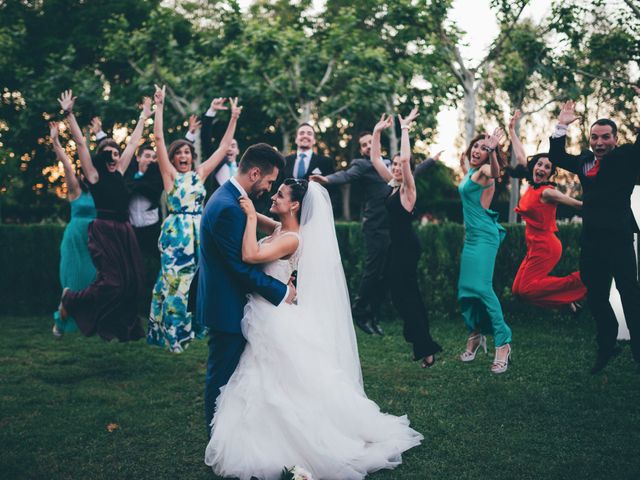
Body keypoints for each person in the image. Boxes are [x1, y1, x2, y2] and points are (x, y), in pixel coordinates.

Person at [205, 180, 422, 480]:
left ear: (294, 205)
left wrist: (252, 217)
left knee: (275, 381)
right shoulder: (282, 229)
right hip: (268, 310)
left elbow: (251, 256)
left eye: (280, 194)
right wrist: (252, 213)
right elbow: (271, 225)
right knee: (266, 378)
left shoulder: (292, 238)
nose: (274, 196)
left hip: (272, 316)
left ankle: (291, 439)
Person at [197, 142, 296, 431]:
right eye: (268, 181)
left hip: (226, 301)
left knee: (234, 375)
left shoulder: (230, 199)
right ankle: (217, 439)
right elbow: (240, 266)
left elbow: (272, 232)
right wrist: (283, 291)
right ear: (254, 173)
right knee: (221, 378)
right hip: (226, 305)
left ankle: (233, 434)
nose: (269, 187)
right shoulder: (230, 207)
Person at [548, 97, 640, 374]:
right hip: (591, 241)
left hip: (620, 239)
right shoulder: (586, 161)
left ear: (615, 138)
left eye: (606, 137)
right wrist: (560, 127)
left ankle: (638, 354)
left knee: (630, 296)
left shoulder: (625, 158)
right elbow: (557, 157)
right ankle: (607, 343)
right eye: (595, 137)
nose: (600, 143)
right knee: (597, 296)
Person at [147, 86, 241, 353]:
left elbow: (224, 148)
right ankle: (174, 335)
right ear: (174, 158)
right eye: (180, 153)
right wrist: (160, 105)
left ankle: (198, 327)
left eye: (187, 152)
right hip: (176, 234)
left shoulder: (200, 174)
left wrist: (233, 117)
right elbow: (158, 138)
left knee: (200, 280)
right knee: (175, 281)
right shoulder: (170, 177)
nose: (184, 156)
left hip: (200, 230)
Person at [58, 89, 151, 342]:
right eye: (108, 153)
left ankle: (121, 328)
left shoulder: (120, 171)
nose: (113, 156)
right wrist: (69, 114)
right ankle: (70, 298)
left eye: (115, 152)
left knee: (133, 283)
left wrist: (144, 116)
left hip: (125, 230)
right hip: (104, 230)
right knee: (113, 283)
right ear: (101, 157)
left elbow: (133, 142)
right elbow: (79, 143)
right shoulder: (94, 176)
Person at [369, 109, 442, 367]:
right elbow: (376, 159)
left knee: (406, 298)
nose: (397, 167)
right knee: (405, 298)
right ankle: (423, 344)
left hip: (406, 249)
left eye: (401, 165)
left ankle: (425, 347)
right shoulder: (392, 185)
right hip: (396, 249)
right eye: (395, 165)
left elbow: (408, 159)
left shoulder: (408, 190)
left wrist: (406, 130)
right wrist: (377, 132)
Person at [310, 131, 390, 335]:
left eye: (370, 143)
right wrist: (326, 179)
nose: (367, 147)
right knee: (373, 271)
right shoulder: (361, 165)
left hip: (391, 226)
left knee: (384, 274)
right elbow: (346, 175)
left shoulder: (389, 163)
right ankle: (359, 311)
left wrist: (431, 161)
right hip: (374, 226)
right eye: (363, 144)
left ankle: (374, 316)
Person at [507, 110, 587, 311]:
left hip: (546, 246)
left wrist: (603, 206)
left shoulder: (547, 192)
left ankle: (582, 281)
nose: (542, 168)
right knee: (518, 290)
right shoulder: (532, 183)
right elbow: (519, 154)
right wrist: (511, 131)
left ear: (551, 173)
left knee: (525, 290)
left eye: (547, 167)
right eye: (539, 164)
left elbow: (578, 205)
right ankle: (567, 301)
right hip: (534, 244)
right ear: (534, 166)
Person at [457, 128, 513, 374]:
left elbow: (496, 171)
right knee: (466, 291)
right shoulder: (471, 171)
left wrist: (492, 152)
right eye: (476, 147)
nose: (477, 151)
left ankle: (503, 343)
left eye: (483, 148)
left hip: (485, 237)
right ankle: (476, 336)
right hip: (472, 238)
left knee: (482, 288)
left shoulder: (484, 172)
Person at [49, 121, 96, 337]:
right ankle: (60, 319)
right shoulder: (76, 191)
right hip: (75, 240)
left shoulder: (101, 192)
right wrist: (56, 142)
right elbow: (67, 166)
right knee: (72, 284)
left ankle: (88, 321)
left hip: (95, 240)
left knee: (92, 281)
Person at [124, 143, 163, 258]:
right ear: (138, 158)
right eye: (147, 156)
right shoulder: (128, 177)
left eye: (153, 157)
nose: (151, 160)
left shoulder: (158, 179)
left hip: (152, 232)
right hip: (132, 232)